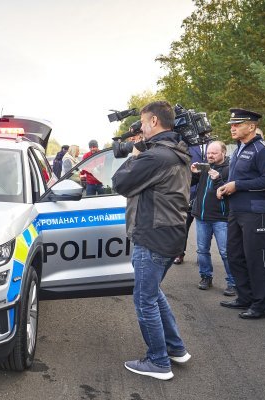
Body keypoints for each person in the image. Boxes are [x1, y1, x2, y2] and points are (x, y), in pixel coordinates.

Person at [112, 101, 191, 380]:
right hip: (169, 233)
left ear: (154, 121)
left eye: (143, 123)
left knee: (144, 299)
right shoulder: (176, 152)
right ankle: (175, 348)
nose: (141, 129)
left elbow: (119, 183)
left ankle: (158, 361)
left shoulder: (156, 156)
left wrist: (134, 154)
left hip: (153, 236)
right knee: (154, 293)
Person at [217, 108, 265, 319]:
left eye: (237, 124)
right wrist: (226, 186)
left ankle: (261, 306)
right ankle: (245, 298)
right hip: (236, 211)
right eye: (232, 125)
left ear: (251, 126)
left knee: (256, 259)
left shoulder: (264, 150)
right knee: (234, 255)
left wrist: (237, 185)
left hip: (255, 213)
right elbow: (238, 180)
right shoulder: (238, 149)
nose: (232, 128)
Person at [190, 141, 236, 295]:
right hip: (202, 217)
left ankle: (233, 282)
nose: (210, 155)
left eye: (214, 153)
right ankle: (205, 277)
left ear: (223, 153)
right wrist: (193, 173)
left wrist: (217, 178)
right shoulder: (205, 167)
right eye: (208, 153)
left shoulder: (231, 169)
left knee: (226, 252)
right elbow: (190, 184)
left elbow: (229, 192)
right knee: (202, 250)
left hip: (220, 218)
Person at [174, 143, 206, 264]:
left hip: (206, 193)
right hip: (189, 191)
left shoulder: (215, 146)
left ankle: (202, 257)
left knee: (203, 228)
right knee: (184, 227)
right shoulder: (190, 146)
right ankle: (179, 253)